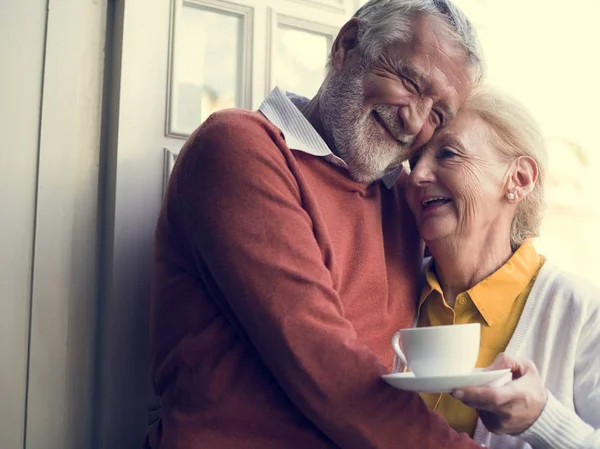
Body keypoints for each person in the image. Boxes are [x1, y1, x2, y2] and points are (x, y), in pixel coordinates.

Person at [145, 0, 488, 448]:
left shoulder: (403, 201)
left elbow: (488, 268)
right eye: (409, 82)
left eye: (439, 115)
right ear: (347, 45)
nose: (414, 121)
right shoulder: (239, 146)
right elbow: (325, 363)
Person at [404, 84, 600, 448]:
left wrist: (542, 419)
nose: (416, 176)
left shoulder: (583, 311)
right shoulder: (394, 289)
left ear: (518, 179)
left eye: (447, 153)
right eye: (414, 160)